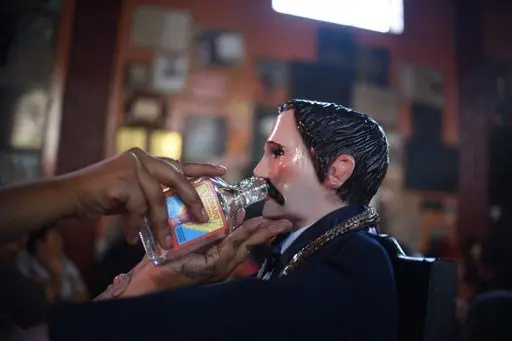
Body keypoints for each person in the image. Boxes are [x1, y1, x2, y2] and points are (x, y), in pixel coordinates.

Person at [47, 99, 398, 341]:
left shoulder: (357, 258)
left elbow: (246, 313)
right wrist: (157, 276)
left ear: (338, 170)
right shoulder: (306, 247)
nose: (259, 171)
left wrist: (60, 330)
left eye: (277, 152)